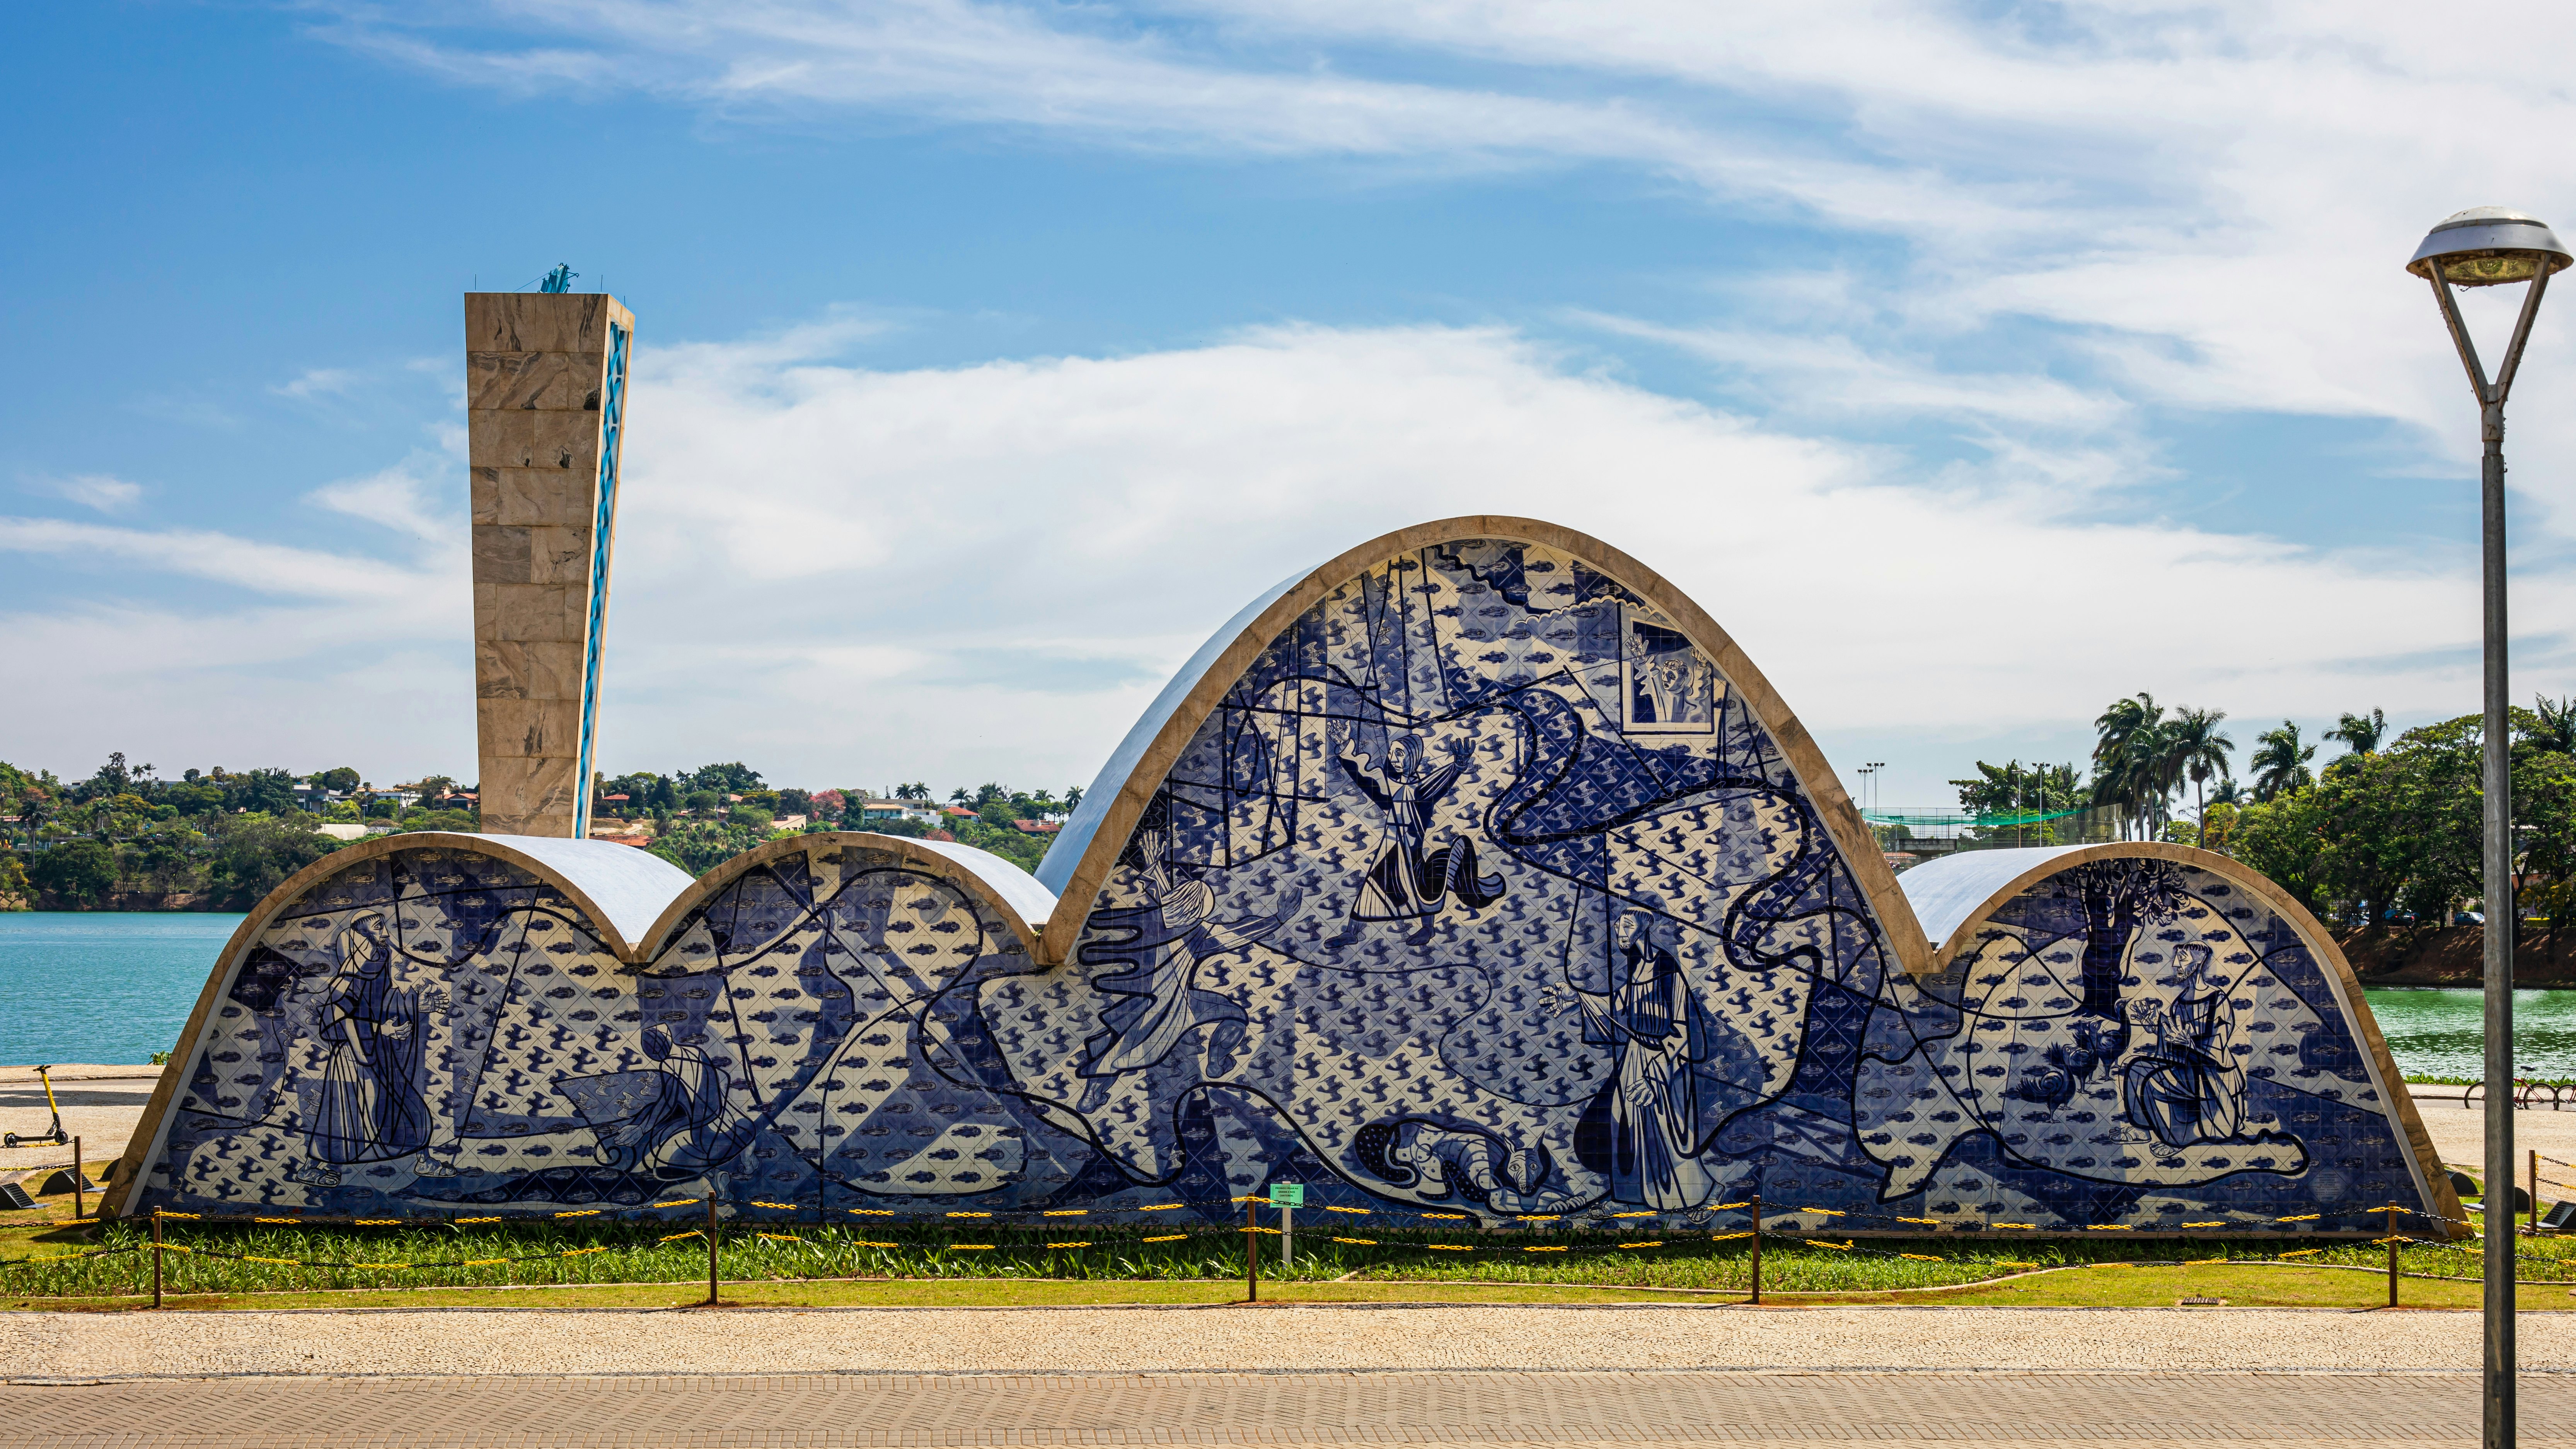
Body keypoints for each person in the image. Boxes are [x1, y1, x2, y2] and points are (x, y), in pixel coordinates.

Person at [1545, 910, 1719, 1210]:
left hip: (1662, 1061)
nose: (1619, 931)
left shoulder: (1666, 969)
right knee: (1621, 1125)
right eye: (1618, 926)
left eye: (1627, 925)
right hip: (1634, 1058)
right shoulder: (1638, 967)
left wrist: (1655, 1076)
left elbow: (1682, 1029)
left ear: (1645, 927)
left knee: (1665, 1133)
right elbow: (1619, 1003)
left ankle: (1698, 1196)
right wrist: (1576, 997)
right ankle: (1626, 1199)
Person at [1327, 725, 1506, 946]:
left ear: (1413, 758)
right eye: (1391, 753)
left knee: (1422, 888)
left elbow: (1437, 783)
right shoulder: (1390, 786)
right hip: (1390, 848)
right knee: (1372, 888)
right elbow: (1363, 777)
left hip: (1409, 849)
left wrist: (1458, 766)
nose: (1393, 758)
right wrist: (1345, 747)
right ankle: (1352, 932)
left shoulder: (1420, 790)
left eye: (1400, 754)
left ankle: (1428, 929)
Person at [299, 913, 444, 1183]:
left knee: (406, 1104)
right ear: (362, 938)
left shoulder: (379, 962)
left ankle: (423, 1160)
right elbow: (334, 1019)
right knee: (342, 1114)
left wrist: (416, 1005)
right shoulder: (349, 976)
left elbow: (384, 1001)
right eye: (379, 928)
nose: (386, 934)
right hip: (352, 1053)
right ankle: (311, 1168)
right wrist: (381, 1030)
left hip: (378, 1050)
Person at [2119, 942, 2247, 1147]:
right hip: (2185, 1067)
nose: (2175, 965)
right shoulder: (2180, 1002)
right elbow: (2174, 1039)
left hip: (2211, 1076)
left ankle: (2177, 1139)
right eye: (2176, 959)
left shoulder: (2218, 999)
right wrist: (2157, 1026)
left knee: (2156, 1076)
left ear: (2198, 962)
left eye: (2182, 959)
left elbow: (2220, 1046)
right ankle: (2143, 1130)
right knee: (2137, 1068)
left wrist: (2190, 1045)